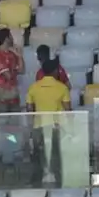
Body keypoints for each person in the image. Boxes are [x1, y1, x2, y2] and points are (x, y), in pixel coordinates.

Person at [27, 57, 72, 186]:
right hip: (55, 126)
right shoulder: (62, 88)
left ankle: (37, 182)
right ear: (55, 71)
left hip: (38, 126)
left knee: (38, 155)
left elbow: (29, 110)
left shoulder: (33, 88)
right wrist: (70, 129)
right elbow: (68, 110)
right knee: (56, 154)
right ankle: (59, 182)